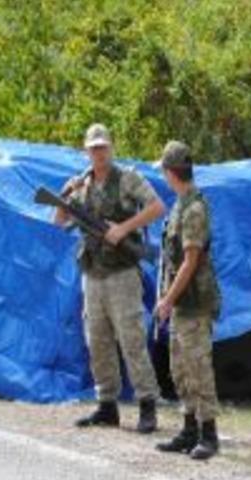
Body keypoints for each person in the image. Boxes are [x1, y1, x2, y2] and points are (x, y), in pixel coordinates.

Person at [54, 123, 165, 433]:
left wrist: (124, 228)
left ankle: (147, 404)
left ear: (111, 147)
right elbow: (59, 221)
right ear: (86, 152)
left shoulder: (128, 178)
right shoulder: (80, 185)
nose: (99, 153)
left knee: (131, 339)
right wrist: (65, 194)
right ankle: (107, 405)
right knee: (97, 340)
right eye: (94, 148)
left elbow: (158, 207)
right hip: (92, 273)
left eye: (103, 147)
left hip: (122, 273)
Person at [153, 141, 221, 460]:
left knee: (198, 368)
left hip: (194, 302)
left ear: (171, 172)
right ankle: (189, 429)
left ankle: (209, 434)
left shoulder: (194, 209)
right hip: (181, 301)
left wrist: (167, 299)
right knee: (179, 367)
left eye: (164, 171)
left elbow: (190, 262)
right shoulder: (180, 204)